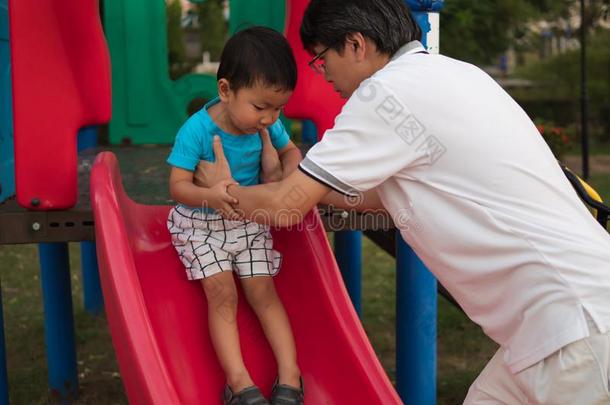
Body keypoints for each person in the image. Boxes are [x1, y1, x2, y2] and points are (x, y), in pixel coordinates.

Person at [195, 1, 610, 404]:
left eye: (321, 60)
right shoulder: (454, 73)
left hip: (574, 331)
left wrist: (223, 189)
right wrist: (307, 184)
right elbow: (381, 197)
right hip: (559, 321)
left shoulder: (382, 96)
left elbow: (285, 207)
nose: (323, 77)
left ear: (356, 44)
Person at [167, 26, 304, 405]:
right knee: (222, 292)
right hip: (201, 224)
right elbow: (177, 186)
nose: (270, 118)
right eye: (261, 107)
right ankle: (239, 383)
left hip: (248, 219)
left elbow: (293, 153)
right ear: (226, 91)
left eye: (278, 108)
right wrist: (210, 195)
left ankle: (290, 375)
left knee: (263, 289)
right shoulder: (196, 130)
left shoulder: (269, 122)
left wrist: (283, 179)